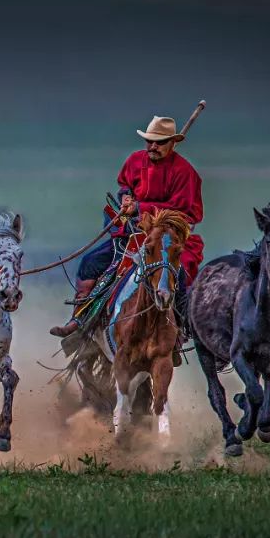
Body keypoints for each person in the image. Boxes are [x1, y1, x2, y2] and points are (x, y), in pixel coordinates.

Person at [49, 116, 204, 358]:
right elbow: (125, 186)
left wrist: (141, 208)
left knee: (178, 273)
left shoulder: (186, 174)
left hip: (167, 241)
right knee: (91, 263)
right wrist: (126, 198)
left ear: (173, 143)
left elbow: (182, 213)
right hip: (130, 235)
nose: (152, 147)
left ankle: (179, 328)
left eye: (160, 142)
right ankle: (79, 320)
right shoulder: (134, 161)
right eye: (150, 141)